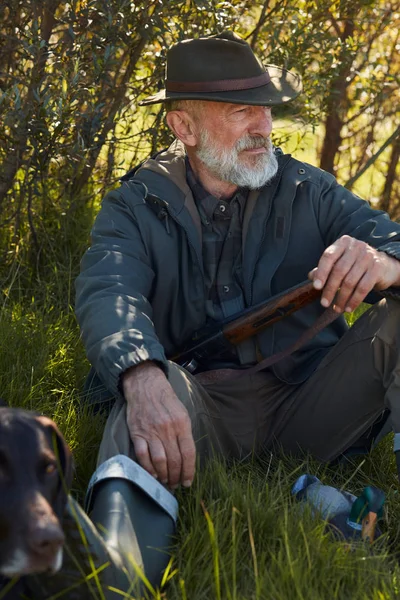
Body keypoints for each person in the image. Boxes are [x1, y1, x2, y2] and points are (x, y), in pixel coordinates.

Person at [73, 30, 400, 596]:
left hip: (309, 401)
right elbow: (109, 292)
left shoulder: (309, 189)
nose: (262, 127)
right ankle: (117, 580)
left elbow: (392, 240)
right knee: (147, 395)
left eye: (265, 110)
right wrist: (141, 375)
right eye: (241, 110)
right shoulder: (134, 205)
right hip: (199, 414)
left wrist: (382, 262)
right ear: (184, 127)